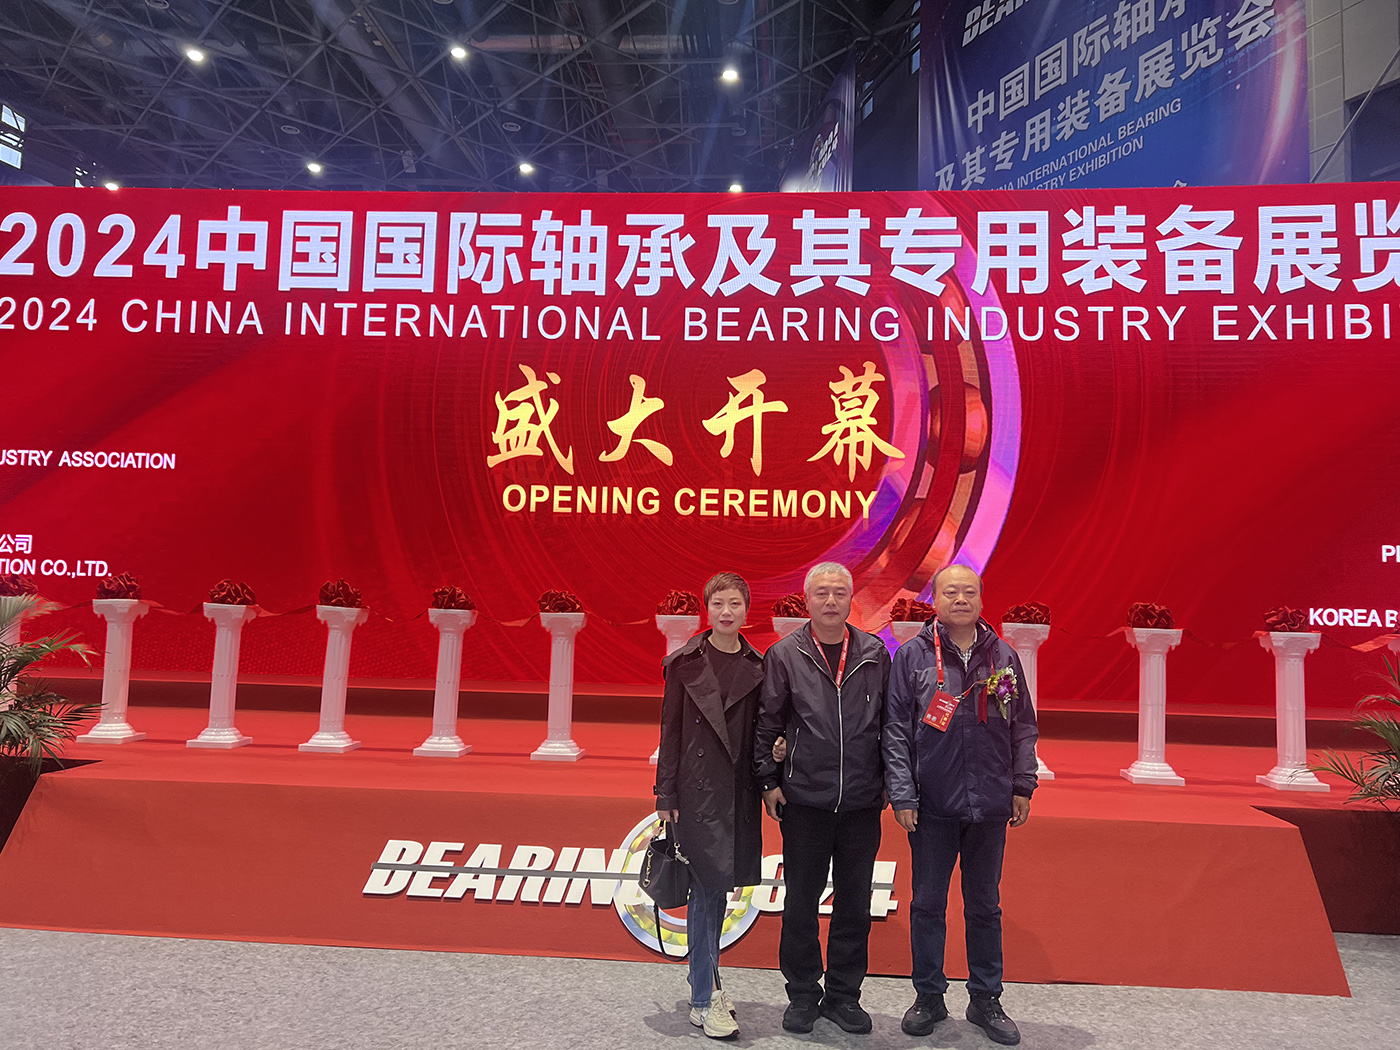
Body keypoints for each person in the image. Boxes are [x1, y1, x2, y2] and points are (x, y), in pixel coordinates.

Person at [882, 565, 1038, 1045]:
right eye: (951, 591)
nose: (961, 599)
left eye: (970, 591)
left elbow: (1023, 725)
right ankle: (928, 996)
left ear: (982, 599)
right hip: (932, 803)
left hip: (989, 802)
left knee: (985, 905)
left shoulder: (1003, 655)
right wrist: (902, 793)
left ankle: (986, 998)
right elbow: (895, 731)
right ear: (935, 599)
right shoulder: (911, 657)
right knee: (928, 905)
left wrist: (1022, 784)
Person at [753, 562, 891, 1035]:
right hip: (805, 800)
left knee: (854, 904)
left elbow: (890, 724)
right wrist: (768, 780)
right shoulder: (784, 654)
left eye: (839, 593)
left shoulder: (874, 652)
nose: (831, 601)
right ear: (807, 599)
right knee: (800, 904)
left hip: (861, 803)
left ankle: (844, 996)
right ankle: (802, 994)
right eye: (822, 593)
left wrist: (891, 783)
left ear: (852, 599)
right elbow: (768, 721)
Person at [654, 571, 765, 1039]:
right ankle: (704, 996)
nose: (726, 611)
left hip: (738, 794)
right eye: (718, 603)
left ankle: (705, 982)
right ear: (707, 608)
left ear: (746, 610)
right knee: (704, 895)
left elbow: (763, 730)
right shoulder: (684, 663)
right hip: (695, 794)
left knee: (717, 894)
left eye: (735, 603)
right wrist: (665, 794)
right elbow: (671, 731)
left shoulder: (759, 665)